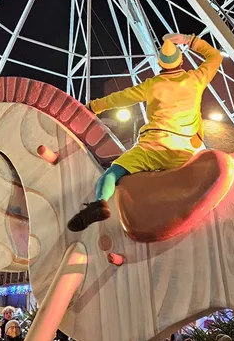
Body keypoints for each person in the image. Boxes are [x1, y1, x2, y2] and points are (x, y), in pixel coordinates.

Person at [67, 32, 223, 231]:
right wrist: (189, 41)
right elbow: (215, 56)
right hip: (184, 151)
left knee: (113, 173)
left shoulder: (152, 85)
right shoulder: (195, 79)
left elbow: (120, 98)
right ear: (181, 61)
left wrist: (91, 107)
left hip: (152, 147)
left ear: (160, 65)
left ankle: (100, 202)